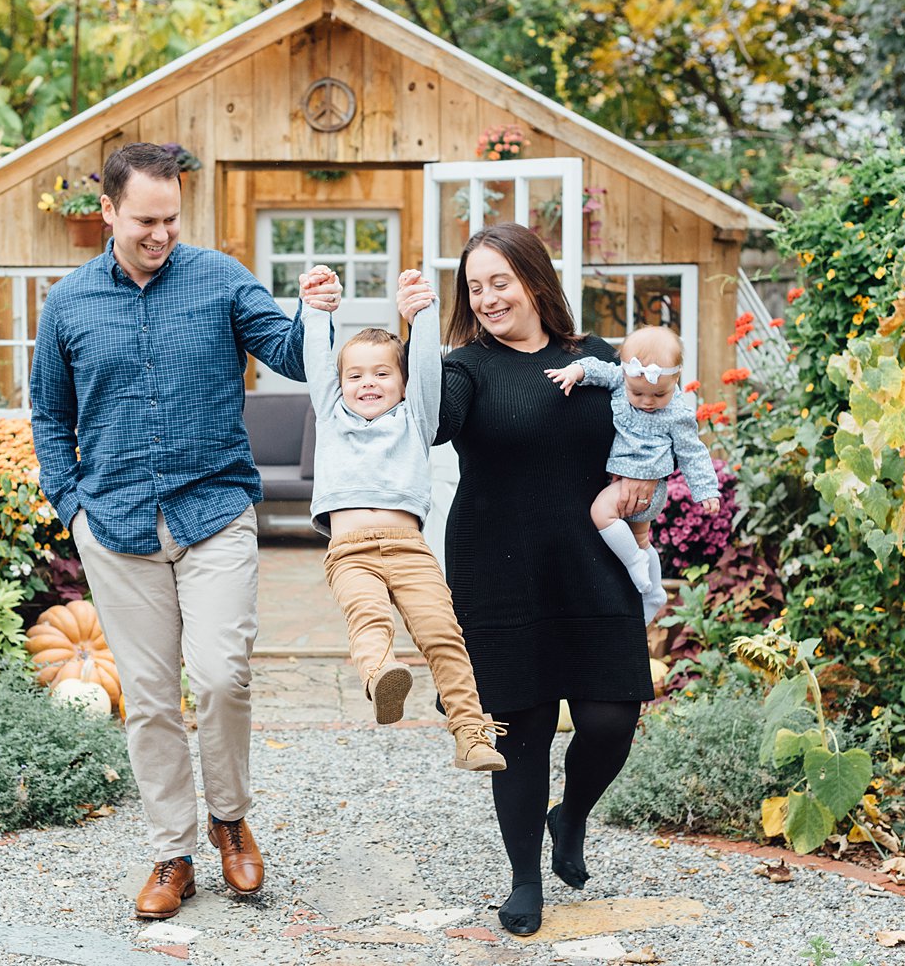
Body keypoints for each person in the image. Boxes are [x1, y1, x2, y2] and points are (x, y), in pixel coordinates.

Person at [29, 142, 342, 920]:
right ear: (108, 210)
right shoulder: (68, 303)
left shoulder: (222, 279)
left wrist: (318, 311)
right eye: (145, 219)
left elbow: (291, 355)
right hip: (117, 523)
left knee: (221, 672)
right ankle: (174, 853)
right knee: (149, 697)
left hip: (214, 514)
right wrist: (74, 509)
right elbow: (48, 412)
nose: (161, 232)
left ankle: (229, 819)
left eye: (171, 217)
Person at [397, 223, 656, 936]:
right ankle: (523, 877)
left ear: (535, 280)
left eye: (499, 281)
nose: (486, 298)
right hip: (497, 564)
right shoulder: (465, 367)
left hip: (591, 556)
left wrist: (644, 482)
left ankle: (569, 814)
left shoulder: (598, 357)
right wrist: (414, 328)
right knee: (522, 727)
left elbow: (646, 430)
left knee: (613, 714)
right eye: (474, 287)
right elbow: (429, 419)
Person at [297, 266, 506, 772]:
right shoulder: (331, 413)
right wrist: (315, 309)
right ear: (340, 383)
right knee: (368, 620)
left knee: (442, 632)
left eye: (382, 373)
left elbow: (429, 370)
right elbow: (317, 361)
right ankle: (382, 676)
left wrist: (422, 314)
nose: (368, 383)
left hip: (410, 548)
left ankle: (471, 733)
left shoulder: (416, 417)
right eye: (356, 375)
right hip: (350, 552)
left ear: (403, 379)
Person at [543, 325, 721, 604]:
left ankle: (635, 562)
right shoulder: (621, 379)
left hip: (649, 487)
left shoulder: (678, 413)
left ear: (676, 379)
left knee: (601, 514)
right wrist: (575, 372)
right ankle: (654, 593)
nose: (648, 402)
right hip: (626, 484)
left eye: (659, 395)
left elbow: (692, 452)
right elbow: (598, 369)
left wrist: (706, 491)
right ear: (626, 374)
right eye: (637, 394)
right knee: (640, 538)